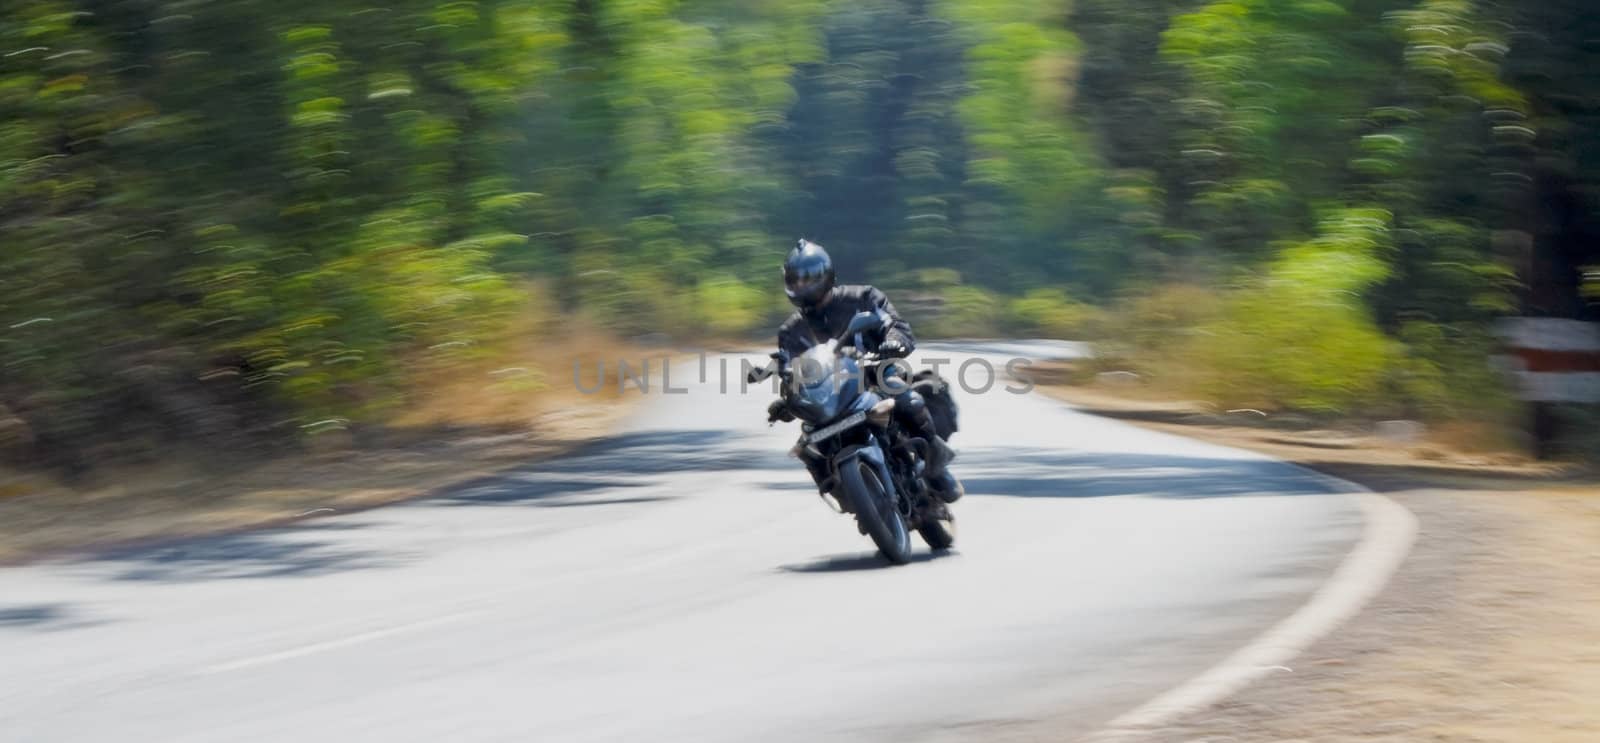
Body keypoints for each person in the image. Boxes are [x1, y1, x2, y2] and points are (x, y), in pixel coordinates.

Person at [772, 239, 962, 503]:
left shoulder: (863, 298)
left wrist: (893, 341)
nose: (801, 285)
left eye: (808, 278)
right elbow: (789, 372)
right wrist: (786, 401)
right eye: (795, 280)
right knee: (809, 446)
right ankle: (849, 496)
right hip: (828, 395)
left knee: (906, 397)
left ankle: (936, 464)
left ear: (825, 275)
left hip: (873, 373)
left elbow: (894, 323)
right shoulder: (790, 332)